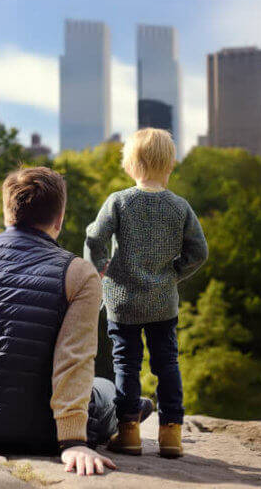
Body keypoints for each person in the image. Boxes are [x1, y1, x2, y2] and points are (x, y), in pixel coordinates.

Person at [0, 167, 150, 476]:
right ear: (59, 219)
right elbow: (74, 359)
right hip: (34, 430)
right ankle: (131, 410)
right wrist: (73, 440)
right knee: (106, 388)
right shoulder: (77, 271)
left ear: (7, 213)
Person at [84, 128, 208, 458]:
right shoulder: (180, 207)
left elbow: (95, 239)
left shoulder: (119, 201)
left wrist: (98, 270)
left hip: (122, 300)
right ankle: (171, 436)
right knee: (167, 364)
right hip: (163, 303)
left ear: (130, 165)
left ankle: (129, 434)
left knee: (126, 364)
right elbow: (199, 252)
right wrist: (174, 274)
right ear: (170, 165)